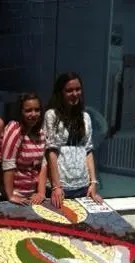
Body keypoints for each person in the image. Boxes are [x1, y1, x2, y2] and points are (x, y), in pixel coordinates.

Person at [44, 72, 102, 208]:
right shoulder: (52, 115)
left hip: (83, 186)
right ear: (61, 92)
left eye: (78, 89)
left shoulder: (85, 117)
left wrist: (93, 182)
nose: (75, 94)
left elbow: (88, 151)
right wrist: (56, 186)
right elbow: (51, 152)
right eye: (69, 90)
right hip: (60, 189)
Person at [1, 93, 47, 205]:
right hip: (16, 195)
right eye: (28, 110)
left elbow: (43, 165)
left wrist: (41, 193)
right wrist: (11, 195)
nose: (33, 114)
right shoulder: (15, 129)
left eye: (37, 110)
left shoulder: (41, 133)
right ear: (21, 112)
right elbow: (8, 163)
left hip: (32, 196)